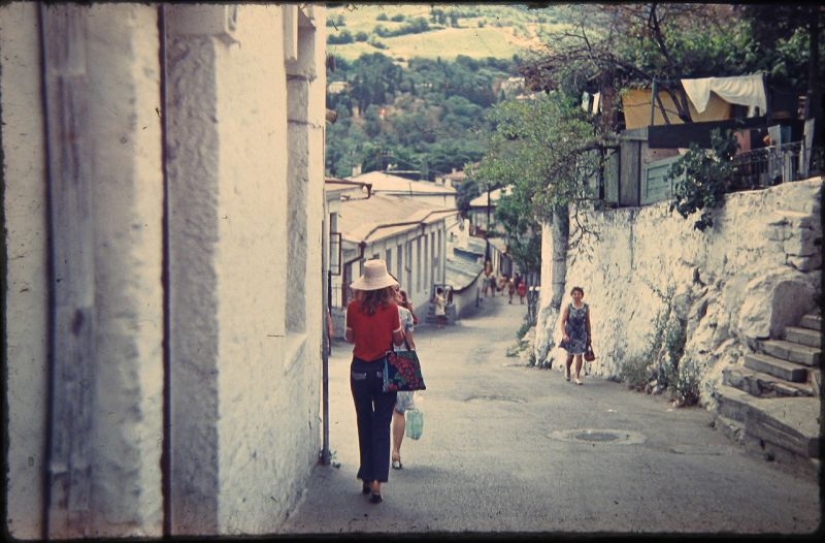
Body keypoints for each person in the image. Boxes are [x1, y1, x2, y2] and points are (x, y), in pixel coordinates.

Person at [345, 259, 405, 504]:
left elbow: (349, 338)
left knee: (364, 422)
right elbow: (398, 341)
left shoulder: (352, 307)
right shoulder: (392, 309)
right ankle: (378, 482)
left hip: (360, 370)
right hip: (384, 370)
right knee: (381, 424)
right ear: (385, 285)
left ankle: (366, 479)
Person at [391, 286, 416, 470]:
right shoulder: (405, 314)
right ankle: (396, 452)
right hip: (402, 362)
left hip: (379, 361)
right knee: (399, 411)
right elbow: (410, 342)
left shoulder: (374, 311)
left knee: (382, 410)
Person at [559, 286, 592, 385]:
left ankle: (577, 376)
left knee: (579, 355)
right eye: (575, 294)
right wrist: (564, 334)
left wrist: (589, 335)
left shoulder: (586, 307)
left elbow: (588, 322)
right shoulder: (568, 307)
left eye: (579, 294)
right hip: (571, 334)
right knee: (570, 356)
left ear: (582, 295)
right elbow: (562, 322)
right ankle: (568, 368)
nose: (577, 296)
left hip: (581, 334)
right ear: (572, 295)